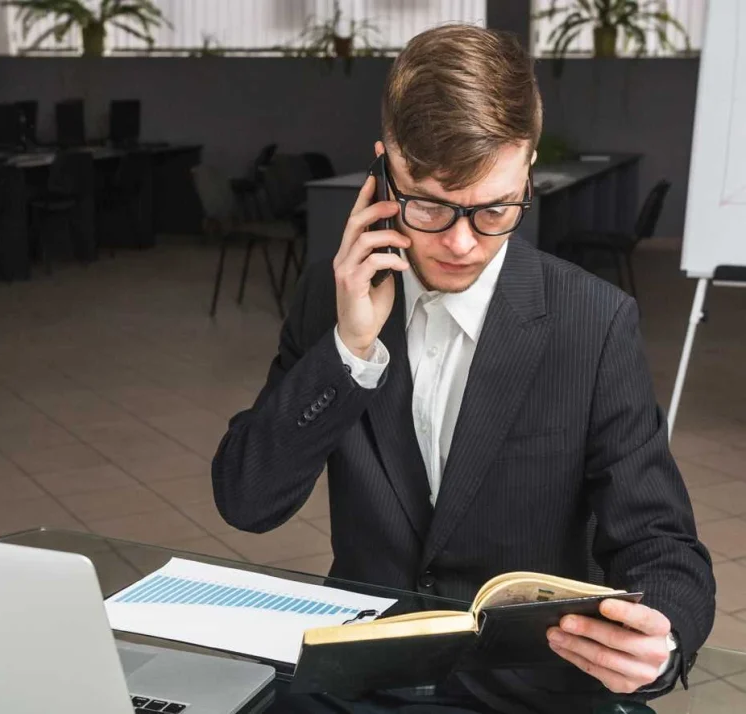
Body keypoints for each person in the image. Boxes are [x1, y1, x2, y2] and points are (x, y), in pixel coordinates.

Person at [211, 24, 715, 714]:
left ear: (528, 164)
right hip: (366, 684)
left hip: (535, 693)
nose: (459, 241)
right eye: (429, 203)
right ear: (386, 168)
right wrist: (348, 350)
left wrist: (661, 640)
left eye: (494, 208)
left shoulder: (593, 322)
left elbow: (662, 542)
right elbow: (246, 501)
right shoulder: (331, 301)